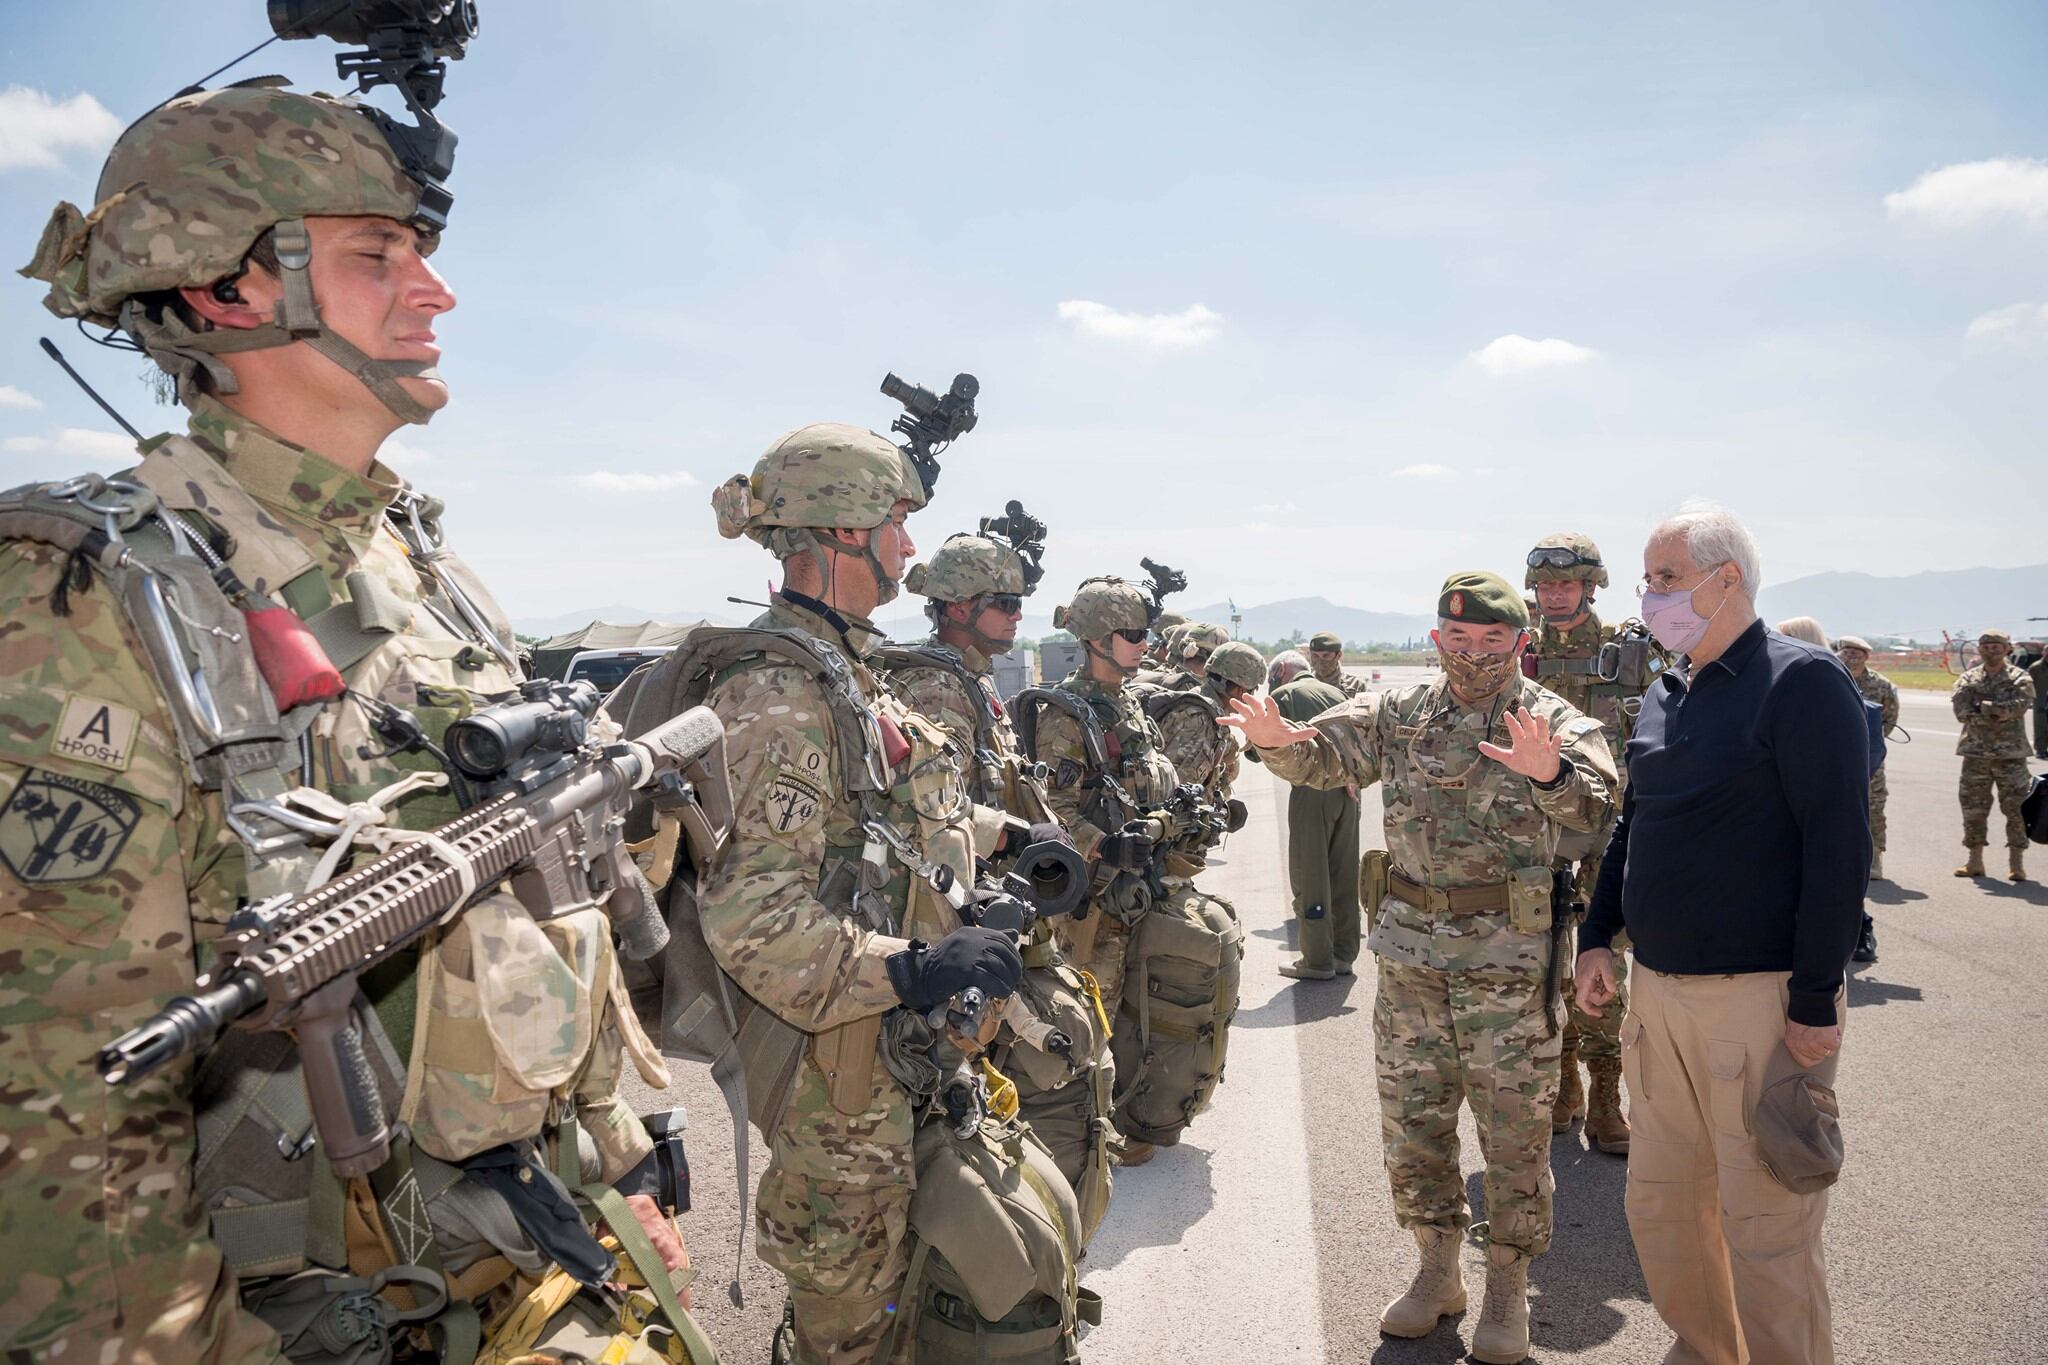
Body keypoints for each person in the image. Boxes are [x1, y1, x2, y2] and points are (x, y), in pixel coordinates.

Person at [1, 82, 700, 1363]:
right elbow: (64, 1123)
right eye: (378, 256)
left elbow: (543, 904)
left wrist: (617, 1162)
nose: (436, 294)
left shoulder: (424, 569)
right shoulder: (87, 596)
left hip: (537, 1265)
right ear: (224, 287)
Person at [1225, 572, 1618, 1365]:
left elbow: (1601, 808)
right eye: (1460, 638)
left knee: (1514, 1128)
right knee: (1414, 1120)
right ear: (1438, 638)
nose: (1475, 654)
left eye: (1493, 640)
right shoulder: (1399, 710)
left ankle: (1506, 1285)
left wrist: (1550, 775)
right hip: (1411, 953)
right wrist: (1274, 743)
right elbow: (1321, 755)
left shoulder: (1553, 720)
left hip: (1510, 960)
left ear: (1520, 642)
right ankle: (1437, 1269)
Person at [699, 424, 1026, 1361]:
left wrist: (1007, 833)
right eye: (897, 522)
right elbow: (754, 919)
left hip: (891, 1050)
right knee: (849, 1323)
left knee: (908, 1300)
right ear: (844, 531)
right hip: (834, 1082)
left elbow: (895, 819)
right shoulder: (779, 691)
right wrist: (915, 966)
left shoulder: (845, 669)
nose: (910, 547)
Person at [1576, 502, 1867, 1365]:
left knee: (1767, 1223)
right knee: (1664, 1207)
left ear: (1726, 578)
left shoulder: (1801, 682)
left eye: (1666, 577)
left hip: (1760, 1002)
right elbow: (1636, 826)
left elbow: (1838, 849)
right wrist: (1598, 933)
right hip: (1659, 998)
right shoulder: (1666, 691)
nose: (1649, 596)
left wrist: (1814, 999)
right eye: (1647, 579)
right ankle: (1708, 1350)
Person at [880, 519, 1119, 1242]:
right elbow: (933, 816)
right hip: (958, 925)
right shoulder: (936, 689)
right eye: (1004, 604)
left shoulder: (970, 682)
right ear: (957, 607)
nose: (1018, 616)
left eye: (1020, 603)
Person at [1525, 530, 1655, 1154]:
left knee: (1604, 958)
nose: (1554, 595)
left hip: (1612, 829)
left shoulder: (1630, 651)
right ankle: (1564, 1085)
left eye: (1566, 584)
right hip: (1540, 827)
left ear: (1590, 586)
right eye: (1545, 585)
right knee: (1545, 961)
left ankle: (1607, 1095)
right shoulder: (1515, 648)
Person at [1266, 649, 1361, 981]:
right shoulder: (1336, 692)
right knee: (1344, 873)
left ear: (1281, 671)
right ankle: (1344, 953)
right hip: (1349, 788)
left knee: (1310, 875)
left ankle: (1317, 960)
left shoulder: (1285, 695)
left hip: (1312, 788)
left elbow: (1260, 748)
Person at [1951, 628, 2036, 882]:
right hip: (1975, 755)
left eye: (1996, 646)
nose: (1991, 651)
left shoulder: (2020, 677)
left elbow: (2019, 706)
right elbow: (1961, 711)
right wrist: (1996, 710)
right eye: (1986, 647)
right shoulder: (1968, 678)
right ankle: (1974, 860)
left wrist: (1984, 707)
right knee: (1973, 808)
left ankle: (2016, 864)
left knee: (2016, 809)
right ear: (1980, 650)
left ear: (2007, 649)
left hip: (2011, 756)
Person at [1835, 637, 1897, 961]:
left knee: (1874, 812)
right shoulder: (1831, 673)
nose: (1851, 656)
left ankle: (1875, 858)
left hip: (1867, 760)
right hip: (1841, 761)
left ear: (1866, 656)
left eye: (1856, 653)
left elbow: (1888, 719)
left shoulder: (1881, 685)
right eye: (1847, 651)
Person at [1308, 630, 1368, 696]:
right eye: (1315, 656)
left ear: (1339, 655)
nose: (1320, 661)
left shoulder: (1356, 686)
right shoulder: (1305, 685)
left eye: (1326, 656)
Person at [2029, 644, 2048, 759]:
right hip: (2040, 700)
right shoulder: (2036, 666)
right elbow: (2027, 683)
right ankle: (2041, 750)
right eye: (2047, 651)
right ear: (2043, 653)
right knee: (2040, 725)